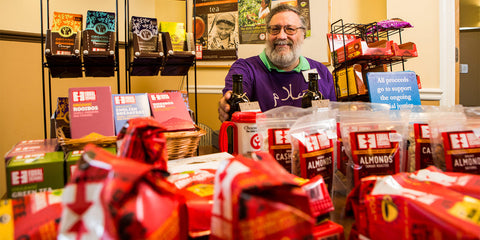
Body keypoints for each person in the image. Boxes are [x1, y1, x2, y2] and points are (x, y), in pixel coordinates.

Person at [218, 4, 336, 122]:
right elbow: (234, 97)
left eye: (290, 29)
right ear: (267, 34)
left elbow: (332, 120)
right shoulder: (245, 69)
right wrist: (229, 103)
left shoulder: (322, 72)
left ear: (303, 34)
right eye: (275, 29)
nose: (281, 36)